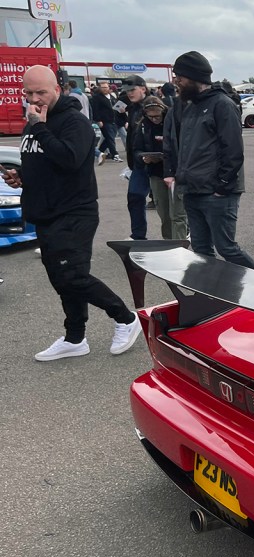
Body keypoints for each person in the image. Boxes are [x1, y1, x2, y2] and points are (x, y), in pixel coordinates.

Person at [7, 65, 141, 361]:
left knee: (73, 276)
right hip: (45, 212)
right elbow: (42, 164)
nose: (34, 98)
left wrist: (39, 127)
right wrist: (21, 176)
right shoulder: (34, 123)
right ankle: (75, 338)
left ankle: (126, 319)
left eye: (41, 92)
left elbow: (69, 159)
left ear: (57, 89)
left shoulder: (73, 122)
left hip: (74, 212)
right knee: (61, 279)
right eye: (28, 92)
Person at [164, 50, 254, 270]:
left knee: (227, 248)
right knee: (201, 250)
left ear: (195, 76)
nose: (176, 81)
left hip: (217, 193)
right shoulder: (188, 105)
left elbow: (233, 149)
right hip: (192, 190)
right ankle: (211, 297)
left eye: (180, 77)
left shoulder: (222, 104)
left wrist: (222, 186)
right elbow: (180, 144)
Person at [134, 96, 185, 239]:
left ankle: (181, 247)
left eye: (157, 116)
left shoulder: (174, 122)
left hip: (176, 173)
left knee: (178, 215)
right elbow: (136, 149)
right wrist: (144, 158)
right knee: (164, 214)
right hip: (156, 173)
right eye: (150, 116)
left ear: (163, 111)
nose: (154, 119)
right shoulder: (143, 125)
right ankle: (169, 244)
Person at [118, 74, 150, 240]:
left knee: (165, 202)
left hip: (155, 161)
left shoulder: (153, 105)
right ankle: (138, 235)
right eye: (127, 90)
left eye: (132, 90)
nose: (129, 93)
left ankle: (182, 230)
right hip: (138, 162)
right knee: (135, 197)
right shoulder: (133, 108)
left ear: (143, 88)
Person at [91, 82, 120, 162]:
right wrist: (98, 120)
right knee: (110, 138)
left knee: (109, 138)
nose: (105, 89)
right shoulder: (97, 98)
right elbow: (95, 110)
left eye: (106, 87)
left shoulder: (111, 97)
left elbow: (116, 107)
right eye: (103, 87)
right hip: (104, 121)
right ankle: (115, 154)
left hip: (114, 120)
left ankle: (99, 152)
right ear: (100, 88)